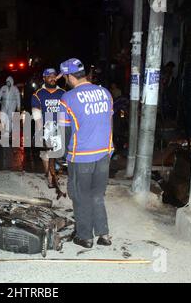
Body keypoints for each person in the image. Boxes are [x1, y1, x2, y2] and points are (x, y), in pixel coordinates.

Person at [58, 58, 113, 249]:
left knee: (80, 195)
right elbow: (108, 122)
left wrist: (61, 156)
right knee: (97, 195)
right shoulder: (105, 93)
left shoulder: (68, 99)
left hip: (81, 156)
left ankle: (85, 237)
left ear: (68, 76)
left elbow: (64, 132)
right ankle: (104, 235)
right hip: (104, 153)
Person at [31, 68, 66, 188]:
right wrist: (41, 132)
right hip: (46, 128)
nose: (52, 78)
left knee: (58, 155)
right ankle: (50, 178)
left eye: (54, 75)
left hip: (60, 128)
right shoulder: (38, 94)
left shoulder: (63, 93)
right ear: (44, 78)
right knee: (46, 155)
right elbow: (37, 115)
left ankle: (54, 174)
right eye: (49, 76)